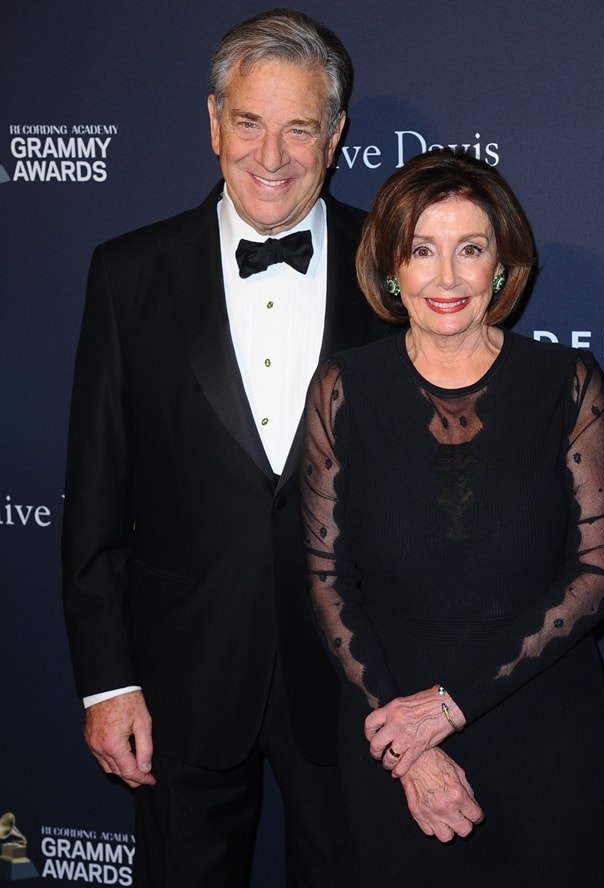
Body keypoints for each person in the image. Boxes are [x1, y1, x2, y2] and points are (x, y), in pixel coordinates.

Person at [62, 9, 384, 887]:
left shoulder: (395, 268)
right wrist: (106, 684)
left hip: (357, 682)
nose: (271, 155)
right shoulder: (128, 272)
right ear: (212, 122)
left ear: (337, 134)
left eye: (300, 128)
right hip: (181, 679)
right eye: (249, 122)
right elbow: (94, 496)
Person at [301, 148, 604, 886]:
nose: (446, 279)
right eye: (422, 250)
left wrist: (450, 707)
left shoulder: (566, 385)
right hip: (389, 726)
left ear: (502, 268)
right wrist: (407, 738)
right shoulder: (344, 389)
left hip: (541, 725)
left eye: (470, 250)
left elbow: (600, 573)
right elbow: (325, 575)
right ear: (391, 267)